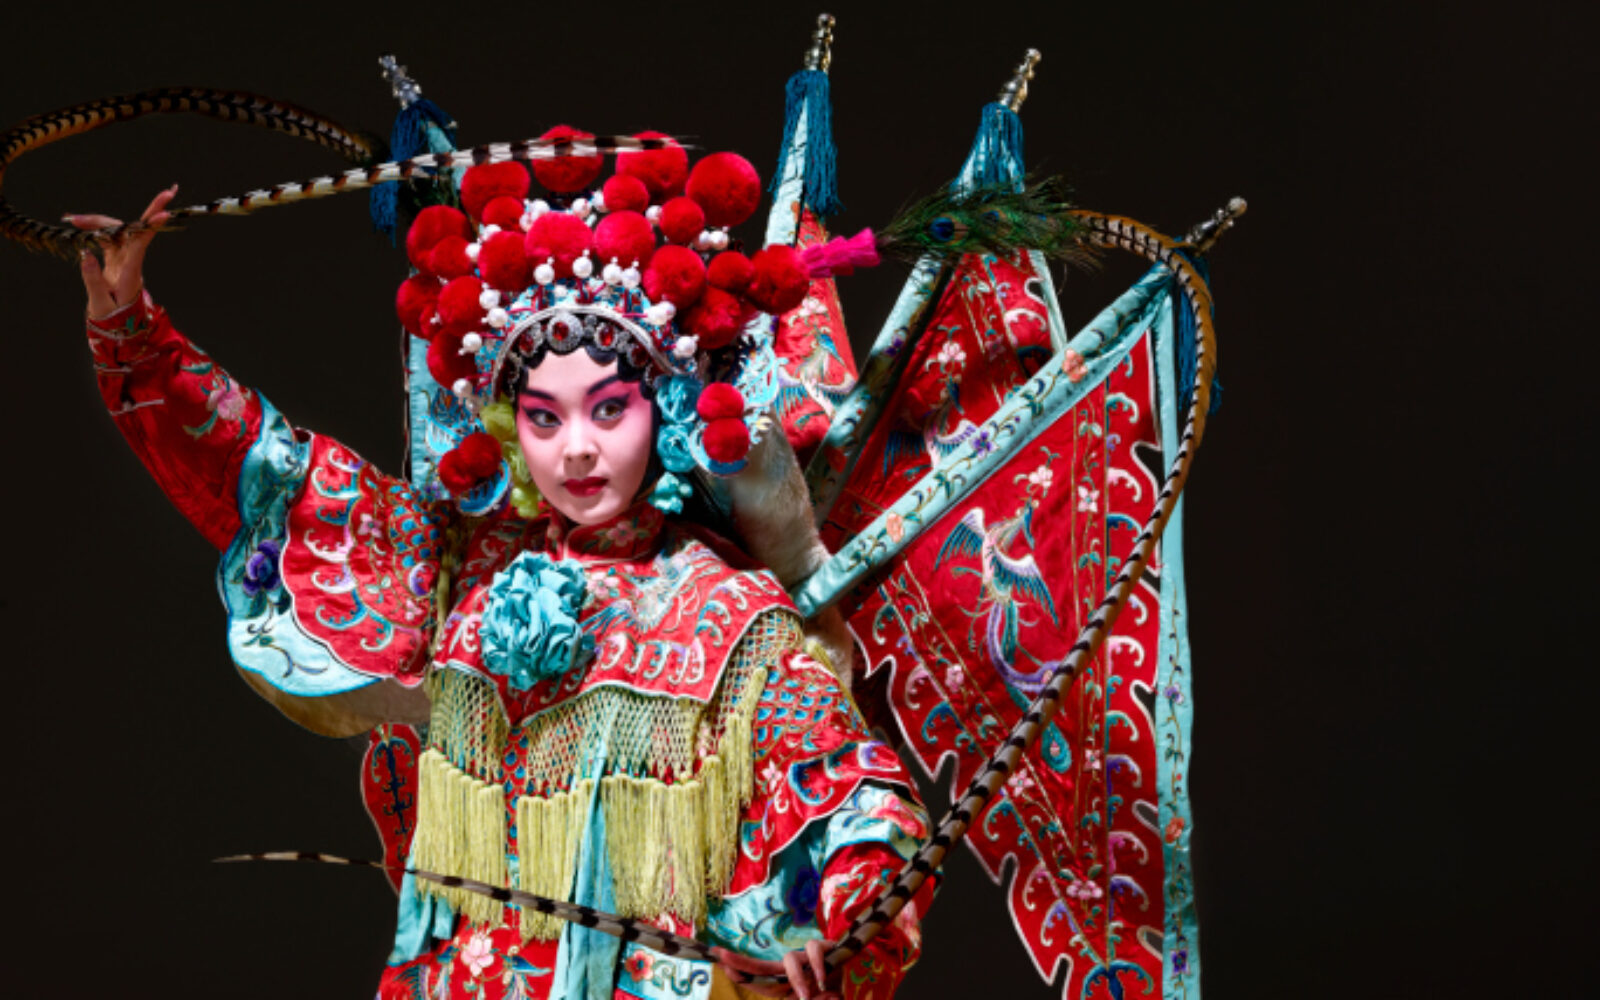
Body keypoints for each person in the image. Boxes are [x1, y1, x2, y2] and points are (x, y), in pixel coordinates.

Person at [73, 153, 935, 1000]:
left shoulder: (727, 612)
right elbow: (265, 473)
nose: (579, 450)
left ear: (663, 405)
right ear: (507, 425)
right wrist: (131, 327)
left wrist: (848, 921)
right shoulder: (454, 565)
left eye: (609, 409)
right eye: (544, 418)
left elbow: (854, 790)